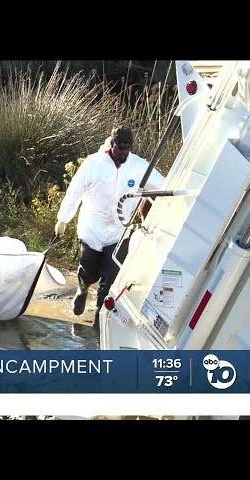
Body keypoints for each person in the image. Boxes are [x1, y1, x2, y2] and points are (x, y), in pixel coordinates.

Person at [55, 125, 165, 335]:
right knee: (88, 271)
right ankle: (82, 288)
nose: (123, 151)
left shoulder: (139, 166)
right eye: (119, 146)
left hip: (118, 230)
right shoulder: (94, 164)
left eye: (127, 147)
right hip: (92, 228)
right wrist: (63, 218)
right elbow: (74, 191)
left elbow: (163, 185)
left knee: (110, 276)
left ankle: (99, 317)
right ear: (111, 144)